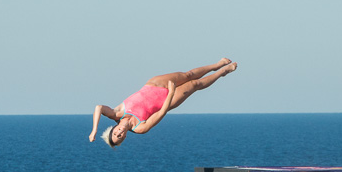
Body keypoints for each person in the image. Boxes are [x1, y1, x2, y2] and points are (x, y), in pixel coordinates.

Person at [89, 58, 238, 147]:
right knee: (194, 84)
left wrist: (94, 130)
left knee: (188, 75)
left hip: (154, 85)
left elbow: (99, 107)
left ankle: (216, 65)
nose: (119, 133)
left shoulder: (117, 113)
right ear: (125, 137)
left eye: (115, 133)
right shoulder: (139, 128)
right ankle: (222, 72)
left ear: (114, 128)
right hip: (168, 100)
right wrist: (171, 93)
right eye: (120, 136)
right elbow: (161, 113)